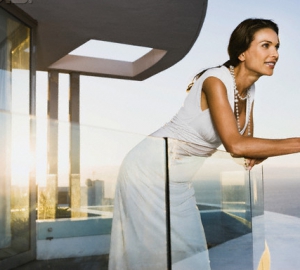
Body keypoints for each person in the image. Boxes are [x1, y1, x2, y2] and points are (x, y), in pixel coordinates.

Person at [108, 18, 300, 270]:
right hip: (149, 169)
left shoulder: (249, 91)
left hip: (179, 180)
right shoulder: (215, 80)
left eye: (277, 46)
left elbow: (245, 148)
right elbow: (237, 145)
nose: (275, 53)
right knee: (155, 255)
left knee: (191, 253)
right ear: (242, 53)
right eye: (266, 45)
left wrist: (258, 151)